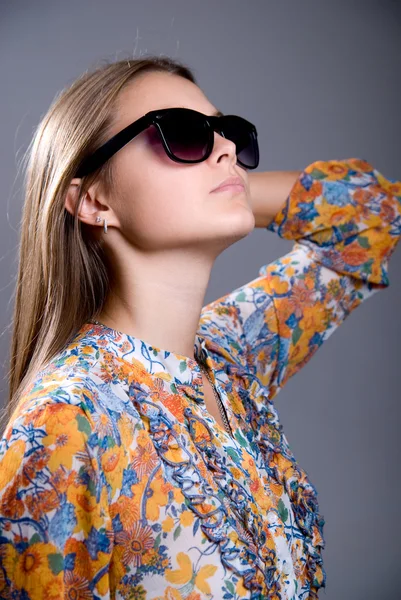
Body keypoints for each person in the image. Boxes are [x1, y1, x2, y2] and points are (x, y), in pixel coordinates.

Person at [0, 55, 399, 600]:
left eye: (229, 134)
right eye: (183, 134)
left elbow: (370, 216)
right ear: (92, 199)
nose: (227, 149)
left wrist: (223, 183)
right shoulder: (65, 424)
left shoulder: (231, 356)